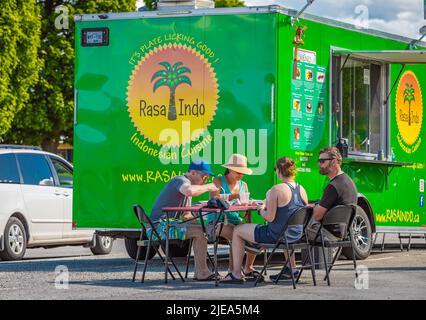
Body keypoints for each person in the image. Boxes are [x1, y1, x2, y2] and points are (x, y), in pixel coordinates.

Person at [220, 157, 308, 284]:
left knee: (238, 230)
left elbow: (269, 217)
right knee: (284, 226)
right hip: (295, 234)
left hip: (275, 235)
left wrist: (260, 209)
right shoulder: (301, 189)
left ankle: (236, 274)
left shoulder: (276, 189)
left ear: (278, 171)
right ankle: (291, 268)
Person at [150, 159, 219, 281]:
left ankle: (200, 272)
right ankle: (202, 273)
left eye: (207, 179)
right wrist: (209, 187)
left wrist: (202, 223)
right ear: (193, 173)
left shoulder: (187, 185)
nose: (205, 180)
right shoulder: (180, 180)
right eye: (204, 177)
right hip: (158, 228)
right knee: (199, 234)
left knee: (200, 231)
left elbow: (186, 215)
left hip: (168, 224)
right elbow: (189, 191)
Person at [208, 154, 258, 280]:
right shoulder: (218, 181)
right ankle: (233, 271)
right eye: (238, 172)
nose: (241, 175)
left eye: (243, 172)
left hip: (236, 220)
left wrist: (248, 222)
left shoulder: (244, 185)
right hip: (218, 221)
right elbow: (214, 200)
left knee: (254, 233)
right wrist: (234, 197)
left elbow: (246, 208)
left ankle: (248, 268)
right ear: (229, 169)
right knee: (238, 235)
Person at [309, 147, 358, 239]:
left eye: (322, 161)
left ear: (334, 161)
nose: (319, 164)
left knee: (297, 226)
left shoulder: (333, 186)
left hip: (327, 233)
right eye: (319, 161)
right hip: (342, 231)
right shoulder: (348, 181)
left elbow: (317, 216)